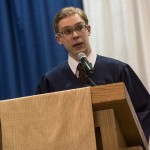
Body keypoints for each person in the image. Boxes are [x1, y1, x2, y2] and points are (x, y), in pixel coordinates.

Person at [36, 7, 150, 141]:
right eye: (67, 31)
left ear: (88, 30)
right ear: (58, 39)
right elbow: (42, 123)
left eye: (79, 28)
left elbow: (144, 111)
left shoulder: (118, 70)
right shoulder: (51, 81)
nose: (75, 35)